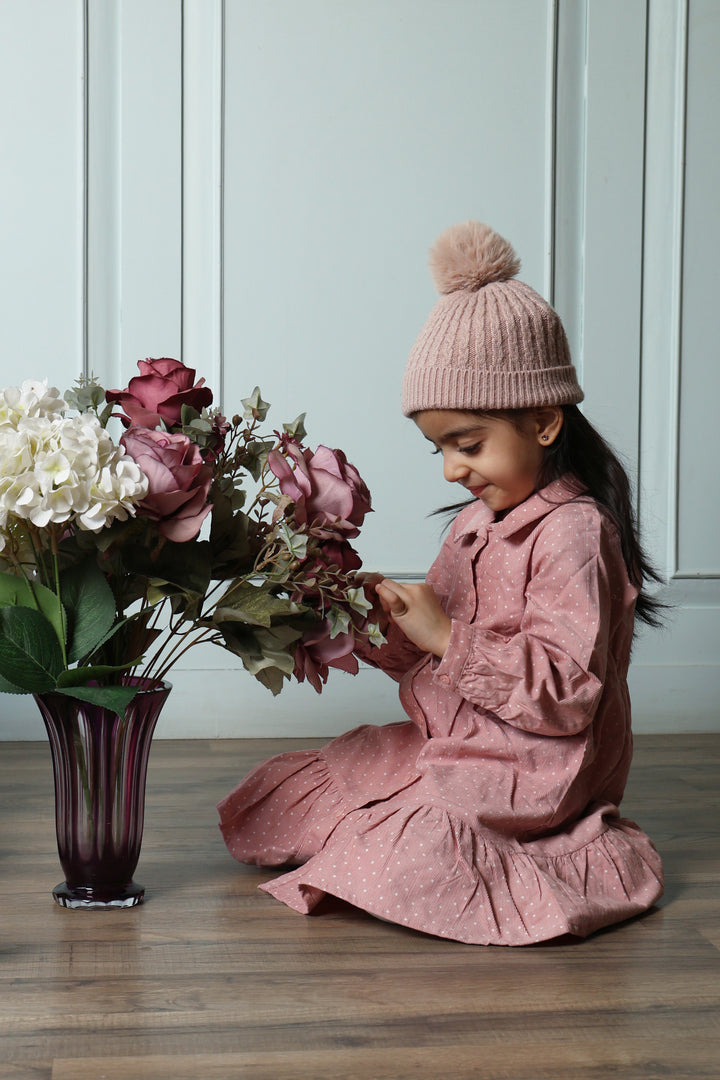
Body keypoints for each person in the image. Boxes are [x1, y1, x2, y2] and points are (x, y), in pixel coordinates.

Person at [217, 221, 664, 945]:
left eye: (469, 445)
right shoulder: (473, 527)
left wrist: (449, 636)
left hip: (533, 773)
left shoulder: (576, 533)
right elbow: (433, 658)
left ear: (545, 421)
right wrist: (374, 619)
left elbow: (570, 695)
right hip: (457, 743)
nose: (452, 471)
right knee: (306, 794)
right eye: (440, 449)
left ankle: (500, 853)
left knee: (400, 852)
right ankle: (389, 822)